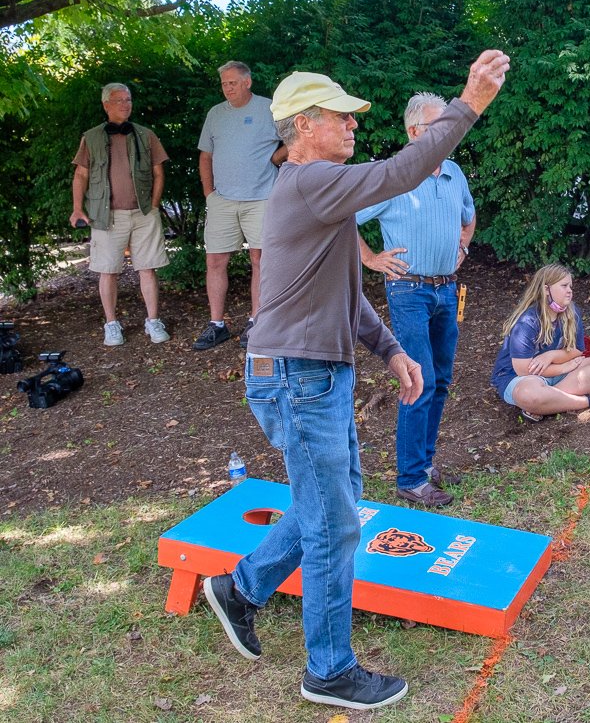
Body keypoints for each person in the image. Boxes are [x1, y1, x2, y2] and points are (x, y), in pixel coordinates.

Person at [201, 50, 510, 713]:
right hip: (296, 375)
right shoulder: (310, 181)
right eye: (343, 117)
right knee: (335, 520)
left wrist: (391, 349)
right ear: (306, 123)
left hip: (316, 372)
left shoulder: (320, 190)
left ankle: (241, 587)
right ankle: (330, 670)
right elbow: (406, 168)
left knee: (333, 503)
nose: (353, 126)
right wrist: (470, 103)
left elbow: (346, 289)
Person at [355, 92, 475, 508]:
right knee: (418, 380)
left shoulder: (454, 172)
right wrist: (371, 258)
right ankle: (410, 478)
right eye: (439, 127)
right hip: (409, 290)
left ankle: (423, 465)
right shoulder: (396, 176)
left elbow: (468, 215)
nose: (449, 135)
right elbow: (340, 217)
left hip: (447, 287)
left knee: (440, 381)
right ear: (413, 132)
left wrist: (464, 245)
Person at [194, 61, 288, 351]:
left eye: (232, 82)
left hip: (261, 198)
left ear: (247, 82)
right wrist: (209, 193)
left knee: (260, 260)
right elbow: (205, 156)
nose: (227, 88)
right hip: (222, 200)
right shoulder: (216, 114)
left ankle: (256, 322)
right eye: (224, 83)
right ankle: (216, 324)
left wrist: (276, 158)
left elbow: (294, 139)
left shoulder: (269, 108)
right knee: (215, 261)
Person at [69, 83, 171, 346]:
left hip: (143, 214)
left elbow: (159, 172)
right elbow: (80, 174)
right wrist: (78, 208)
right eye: (119, 100)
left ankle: (153, 320)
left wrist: (154, 204)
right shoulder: (90, 137)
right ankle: (111, 324)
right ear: (106, 105)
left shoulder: (145, 135)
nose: (126, 104)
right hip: (106, 216)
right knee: (108, 270)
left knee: (148, 269)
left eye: (128, 100)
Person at [492, 264, 590, 420]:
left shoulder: (572, 312)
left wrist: (551, 356)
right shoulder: (527, 321)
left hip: (555, 375)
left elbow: (577, 350)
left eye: (571, 286)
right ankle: (589, 400)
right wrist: (564, 367)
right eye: (564, 286)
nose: (570, 290)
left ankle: (546, 405)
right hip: (521, 378)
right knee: (529, 394)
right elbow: (523, 370)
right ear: (546, 289)